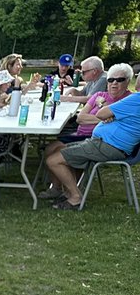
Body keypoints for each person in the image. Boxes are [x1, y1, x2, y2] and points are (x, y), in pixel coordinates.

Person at [46, 69, 139, 209]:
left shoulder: (135, 98)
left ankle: (75, 197)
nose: (114, 83)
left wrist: (105, 109)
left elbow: (102, 114)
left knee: (53, 160)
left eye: (120, 80)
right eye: (111, 80)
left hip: (109, 146)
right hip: (106, 144)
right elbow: (87, 118)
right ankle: (67, 192)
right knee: (57, 150)